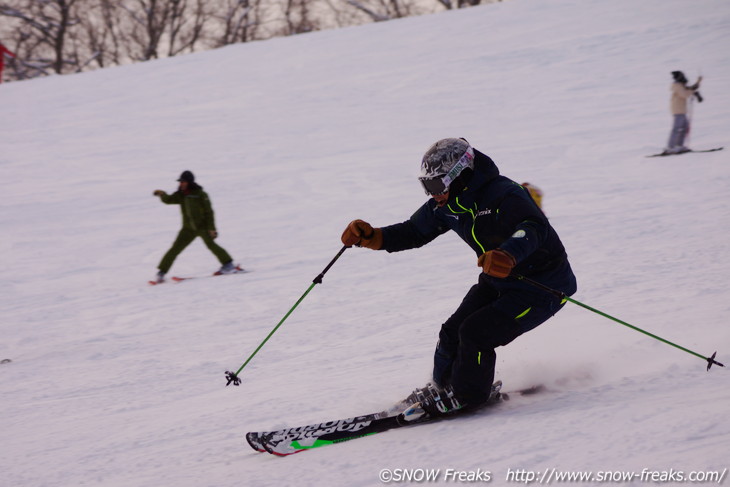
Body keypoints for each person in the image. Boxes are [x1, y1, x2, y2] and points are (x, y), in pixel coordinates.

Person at [341, 138, 577, 417]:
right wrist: (373, 238)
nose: (432, 194)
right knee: (452, 331)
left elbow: (534, 227)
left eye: (436, 185)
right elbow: (414, 231)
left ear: (460, 176)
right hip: (499, 280)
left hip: (542, 286)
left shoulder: (504, 194)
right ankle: (442, 386)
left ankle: (468, 395)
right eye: (426, 186)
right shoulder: (449, 204)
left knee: (476, 333)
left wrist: (508, 254)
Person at [152, 170, 238, 283]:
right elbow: (169, 200)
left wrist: (212, 228)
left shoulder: (201, 195)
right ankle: (161, 273)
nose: (181, 184)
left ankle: (228, 265)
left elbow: (209, 212)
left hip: (203, 227)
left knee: (211, 245)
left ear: (189, 182)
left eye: (183, 182)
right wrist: (162, 195)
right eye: (180, 182)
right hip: (187, 229)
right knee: (175, 249)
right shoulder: (181, 195)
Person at [664, 70, 702, 155]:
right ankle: (670, 147)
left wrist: (698, 81)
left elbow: (690, 89)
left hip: (682, 110)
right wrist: (692, 91)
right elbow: (684, 94)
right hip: (678, 110)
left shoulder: (681, 85)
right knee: (677, 128)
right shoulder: (677, 86)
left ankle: (679, 146)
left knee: (684, 128)